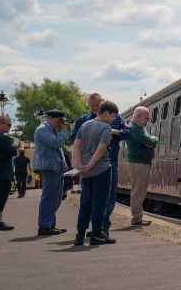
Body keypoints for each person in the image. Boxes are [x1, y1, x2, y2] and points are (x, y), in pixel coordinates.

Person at [73, 92, 127, 237]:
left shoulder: (85, 124)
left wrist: (78, 164)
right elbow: (101, 148)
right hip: (101, 167)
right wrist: (87, 165)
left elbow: (76, 145)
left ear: (102, 104)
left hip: (91, 166)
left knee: (90, 200)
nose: (95, 108)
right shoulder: (102, 126)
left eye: (97, 106)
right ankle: (98, 233)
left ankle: (83, 233)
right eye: (92, 106)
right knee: (100, 200)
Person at [33, 110, 70, 236]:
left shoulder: (52, 130)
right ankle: (44, 226)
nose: (61, 123)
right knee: (49, 196)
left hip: (57, 167)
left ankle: (50, 224)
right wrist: (64, 131)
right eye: (59, 121)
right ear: (52, 118)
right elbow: (56, 143)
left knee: (56, 197)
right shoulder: (42, 129)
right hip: (49, 167)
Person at [124, 106, 157, 226]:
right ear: (137, 117)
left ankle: (138, 217)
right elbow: (149, 141)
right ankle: (136, 218)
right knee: (138, 191)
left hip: (141, 162)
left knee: (140, 190)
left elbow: (148, 141)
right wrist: (154, 139)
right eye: (146, 118)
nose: (147, 121)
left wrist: (151, 141)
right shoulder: (135, 129)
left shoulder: (138, 128)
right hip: (139, 163)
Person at [0, 114, 15, 232]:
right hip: (2, 174)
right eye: (9, 124)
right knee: (0, 199)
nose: (10, 127)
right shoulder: (2, 138)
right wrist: (14, 145)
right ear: (1, 123)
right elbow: (13, 152)